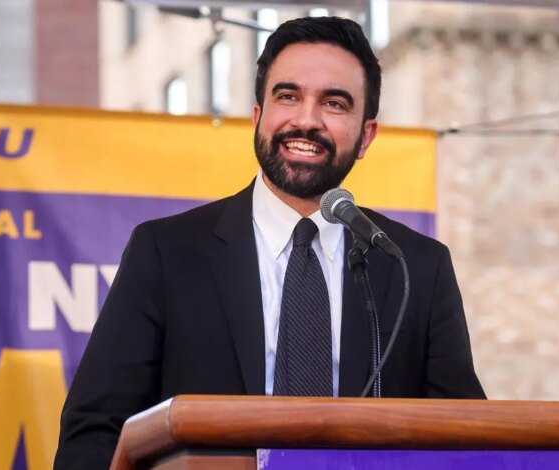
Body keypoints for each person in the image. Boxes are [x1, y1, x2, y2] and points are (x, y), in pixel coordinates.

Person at [54, 16, 485, 469]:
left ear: (366, 136)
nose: (306, 119)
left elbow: (467, 439)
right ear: (258, 117)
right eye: (288, 96)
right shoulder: (166, 252)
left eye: (335, 103)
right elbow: (94, 432)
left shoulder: (415, 266)